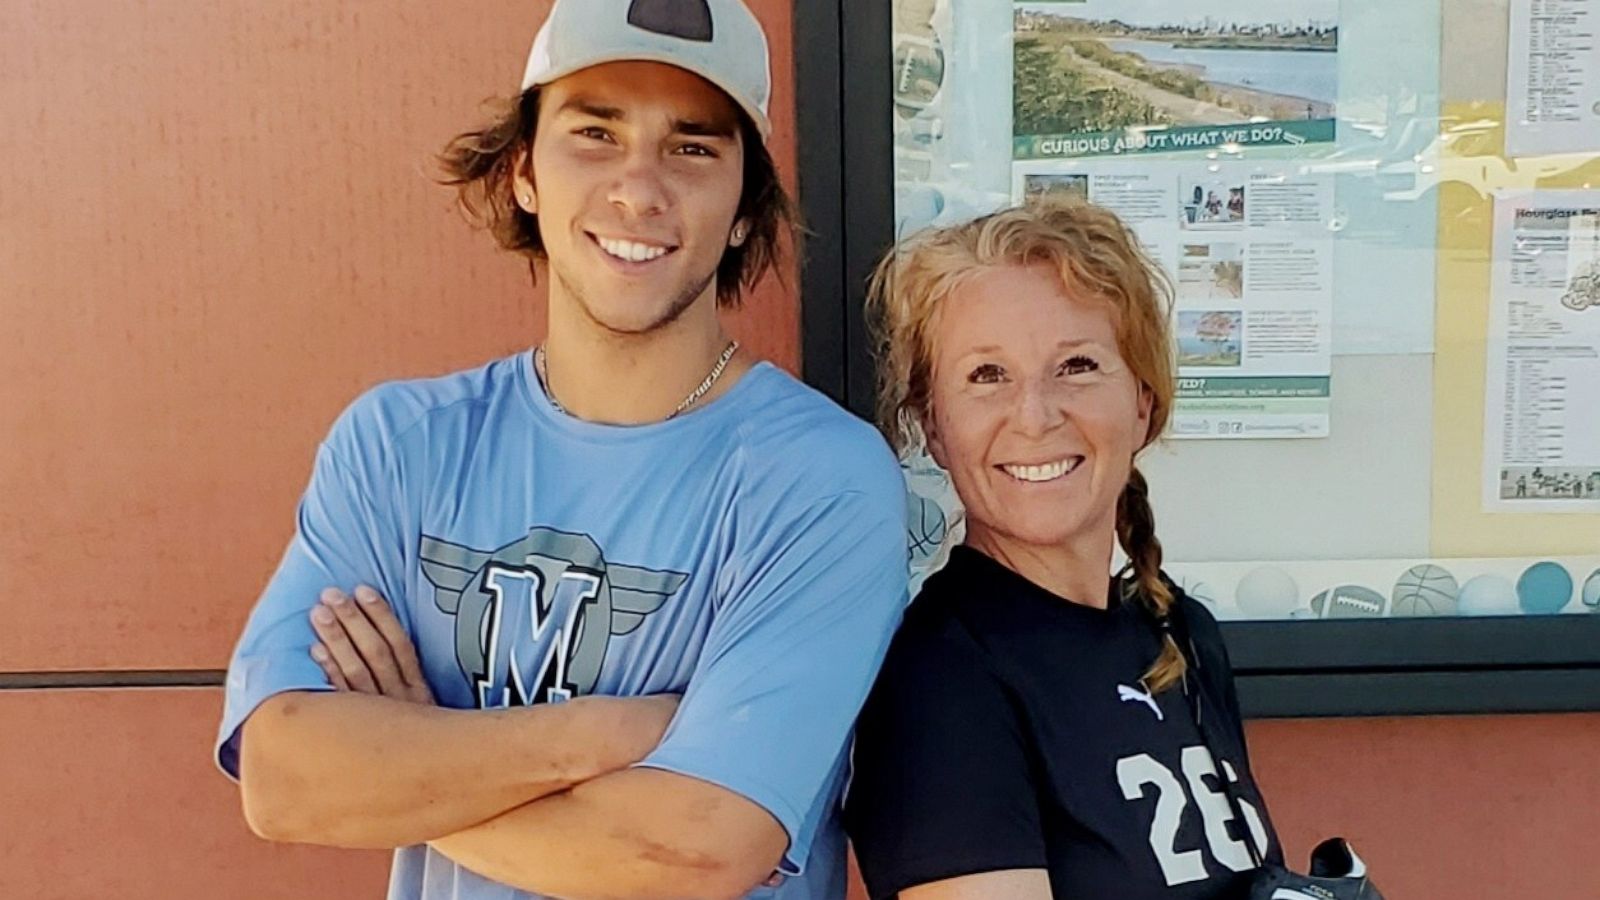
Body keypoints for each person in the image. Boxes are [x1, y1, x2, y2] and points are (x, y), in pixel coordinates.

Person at [214, 2, 908, 898]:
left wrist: (411, 761)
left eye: (693, 148)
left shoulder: (821, 480)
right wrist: (610, 734)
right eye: (594, 133)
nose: (640, 190)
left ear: (746, 209)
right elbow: (283, 780)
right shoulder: (400, 446)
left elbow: (693, 850)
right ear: (524, 174)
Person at [845, 200, 1282, 899]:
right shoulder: (940, 680)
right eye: (987, 376)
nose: (1035, 415)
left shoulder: (1178, 633)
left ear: (1143, 402)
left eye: (1076, 366)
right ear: (933, 425)